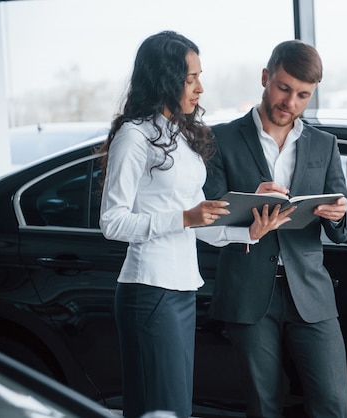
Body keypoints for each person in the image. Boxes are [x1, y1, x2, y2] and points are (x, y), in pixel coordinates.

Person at [98, 31, 294, 418]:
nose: (200, 88)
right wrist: (183, 218)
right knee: (163, 409)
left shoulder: (181, 136)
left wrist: (247, 229)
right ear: (163, 80)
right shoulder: (133, 138)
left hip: (181, 290)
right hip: (149, 289)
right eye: (190, 79)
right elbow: (112, 222)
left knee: (171, 409)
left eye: (199, 77)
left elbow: (200, 221)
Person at [204, 39, 347, 418]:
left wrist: (340, 216)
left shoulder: (324, 144)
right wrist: (250, 199)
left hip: (310, 291)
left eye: (303, 95)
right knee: (263, 405)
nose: (291, 102)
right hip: (249, 289)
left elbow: (345, 227)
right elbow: (207, 215)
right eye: (284, 88)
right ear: (265, 78)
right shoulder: (220, 139)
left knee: (333, 404)